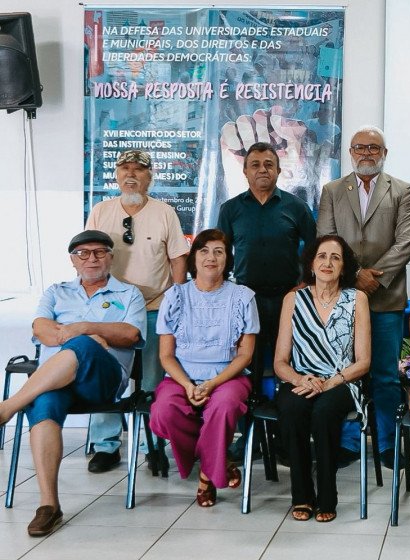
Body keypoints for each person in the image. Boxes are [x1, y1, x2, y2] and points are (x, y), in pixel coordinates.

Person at [0, 231, 145, 536]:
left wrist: (84, 329)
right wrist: (93, 336)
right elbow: (41, 330)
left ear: (111, 257)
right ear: (73, 260)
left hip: (102, 382)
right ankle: (49, 506)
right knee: (44, 402)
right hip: (55, 384)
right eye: (83, 253)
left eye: (99, 252)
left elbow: (130, 334)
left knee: (83, 345)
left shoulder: (128, 293)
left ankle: (9, 406)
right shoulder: (56, 292)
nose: (91, 258)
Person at [318, 125, 410, 466]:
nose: (366, 153)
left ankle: (386, 444)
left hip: (386, 299)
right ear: (351, 152)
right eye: (360, 147)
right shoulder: (332, 190)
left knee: (386, 376)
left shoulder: (402, 190)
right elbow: (326, 238)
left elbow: (407, 241)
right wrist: (354, 274)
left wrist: (375, 277)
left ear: (384, 153)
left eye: (374, 148)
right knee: (345, 371)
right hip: (342, 298)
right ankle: (350, 442)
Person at [85, 149, 189, 474]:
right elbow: (87, 256)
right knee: (107, 375)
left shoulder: (165, 213)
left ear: (150, 176)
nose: (131, 174)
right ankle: (106, 446)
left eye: (139, 169)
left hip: (155, 308)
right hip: (111, 312)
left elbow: (178, 259)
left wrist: (176, 301)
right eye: (125, 168)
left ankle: (151, 445)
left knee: (153, 380)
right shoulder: (101, 211)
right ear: (116, 175)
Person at [149, 230, 259, 507]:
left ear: (227, 259)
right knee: (163, 412)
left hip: (228, 376)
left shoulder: (243, 297)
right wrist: (188, 385)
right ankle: (219, 460)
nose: (211, 257)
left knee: (224, 406)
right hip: (181, 377)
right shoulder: (175, 296)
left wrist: (211, 384)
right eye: (204, 251)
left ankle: (207, 477)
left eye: (219, 251)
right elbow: (166, 356)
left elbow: (245, 355)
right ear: (194, 258)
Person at [273, 235, 371, 523]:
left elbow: (363, 361)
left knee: (325, 411)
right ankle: (302, 496)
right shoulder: (293, 299)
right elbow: (280, 362)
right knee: (292, 408)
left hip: (343, 380)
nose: (328, 262)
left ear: (344, 266)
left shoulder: (357, 299)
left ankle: (327, 496)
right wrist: (300, 380)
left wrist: (330, 383)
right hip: (301, 378)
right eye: (322, 256)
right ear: (311, 263)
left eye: (335, 257)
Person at [217, 141, 317, 397]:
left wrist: (304, 285)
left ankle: (285, 416)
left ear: (278, 170)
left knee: (289, 361)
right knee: (249, 363)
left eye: (269, 164)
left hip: (288, 298)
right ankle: (252, 417)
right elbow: (221, 254)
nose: (262, 169)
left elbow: (315, 250)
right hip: (246, 298)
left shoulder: (296, 207)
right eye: (255, 165)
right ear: (245, 171)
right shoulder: (230, 209)